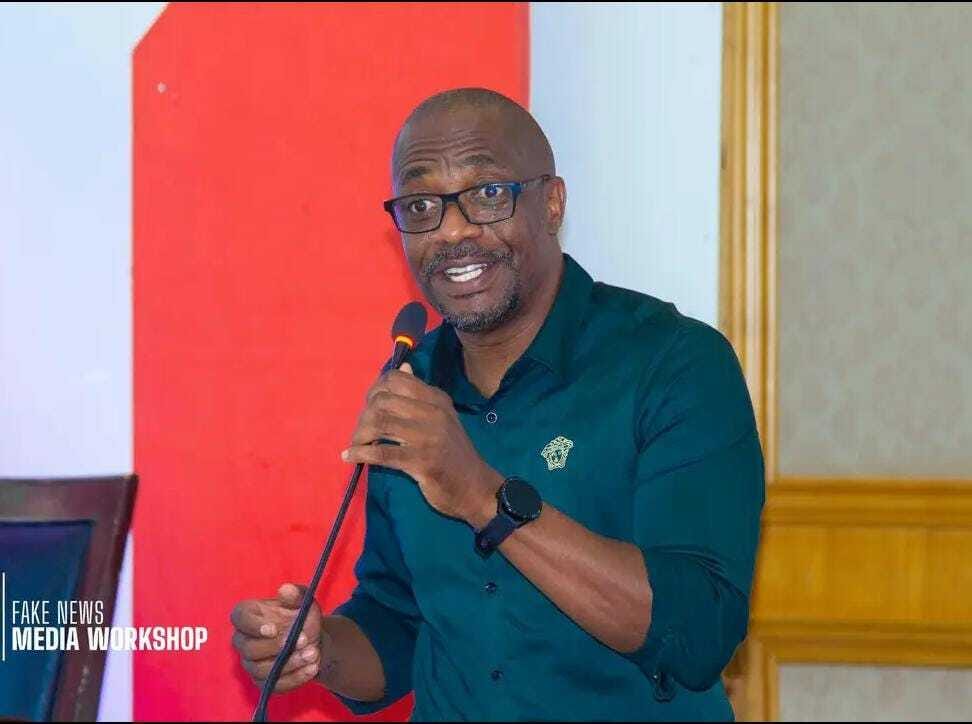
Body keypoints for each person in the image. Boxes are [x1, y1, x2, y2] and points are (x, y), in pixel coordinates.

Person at [231, 88, 764, 721]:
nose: (452, 230)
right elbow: (398, 620)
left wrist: (482, 494)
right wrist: (319, 651)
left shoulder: (674, 364)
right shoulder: (413, 383)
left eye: (487, 194)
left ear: (552, 203)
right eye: (422, 205)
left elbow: (698, 632)